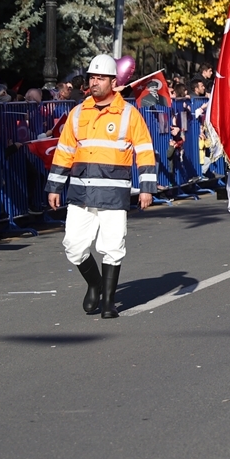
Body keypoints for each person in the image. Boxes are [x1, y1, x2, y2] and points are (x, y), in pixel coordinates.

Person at [46, 54, 156, 319]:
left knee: (112, 246)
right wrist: (54, 186)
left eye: (99, 78)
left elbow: (144, 150)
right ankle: (94, 283)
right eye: (91, 78)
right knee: (73, 245)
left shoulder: (128, 114)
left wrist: (147, 188)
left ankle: (108, 302)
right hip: (80, 192)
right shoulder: (78, 113)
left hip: (113, 194)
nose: (93, 83)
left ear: (112, 81)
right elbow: (64, 151)